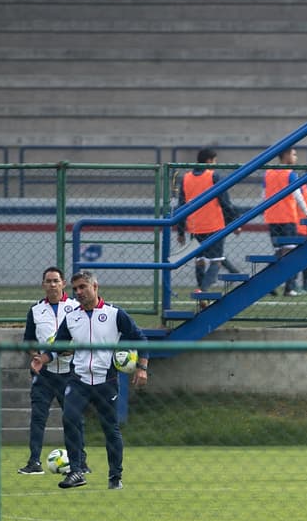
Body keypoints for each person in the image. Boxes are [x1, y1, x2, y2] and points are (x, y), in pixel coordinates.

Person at [31, 270, 148, 490]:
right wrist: (43, 359)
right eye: (75, 289)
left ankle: (115, 477)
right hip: (79, 381)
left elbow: (140, 339)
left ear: (95, 287)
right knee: (70, 419)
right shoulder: (73, 317)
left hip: (106, 381)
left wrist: (142, 367)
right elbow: (59, 344)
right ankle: (76, 472)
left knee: (110, 428)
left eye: (83, 287)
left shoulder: (115, 314)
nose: (79, 292)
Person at [17, 267, 79, 475]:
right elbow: (29, 342)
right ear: (43, 285)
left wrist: (71, 348)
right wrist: (36, 356)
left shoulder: (75, 307)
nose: (52, 285)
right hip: (44, 374)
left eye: (56, 281)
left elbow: (83, 338)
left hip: (70, 372)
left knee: (73, 417)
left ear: (63, 284)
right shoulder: (35, 311)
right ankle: (34, 462)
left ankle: (80, 463)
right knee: (38, 417)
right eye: (48, 281)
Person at [177, 147, 241, 306]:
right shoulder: (213, 176)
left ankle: (202, 292)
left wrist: (180, 230)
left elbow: (181, 206)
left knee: (200, 260)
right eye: (215, 161)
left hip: (194, 227)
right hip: (213, 225)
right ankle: (203, 292)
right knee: (216, 261)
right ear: (209, 161)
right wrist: (235, 222)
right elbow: (225, 202)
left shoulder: (186, 178)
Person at [263, 145, 307, 296]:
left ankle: (269, 283)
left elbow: (263, 196)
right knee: (289, 253)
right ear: (286, 155)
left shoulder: (268, 173)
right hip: (287, 218)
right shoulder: (290, 174)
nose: (295, 158)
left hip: (272, 218)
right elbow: (297, 195)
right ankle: (288, 287)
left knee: (278, 253)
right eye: (294, 155)